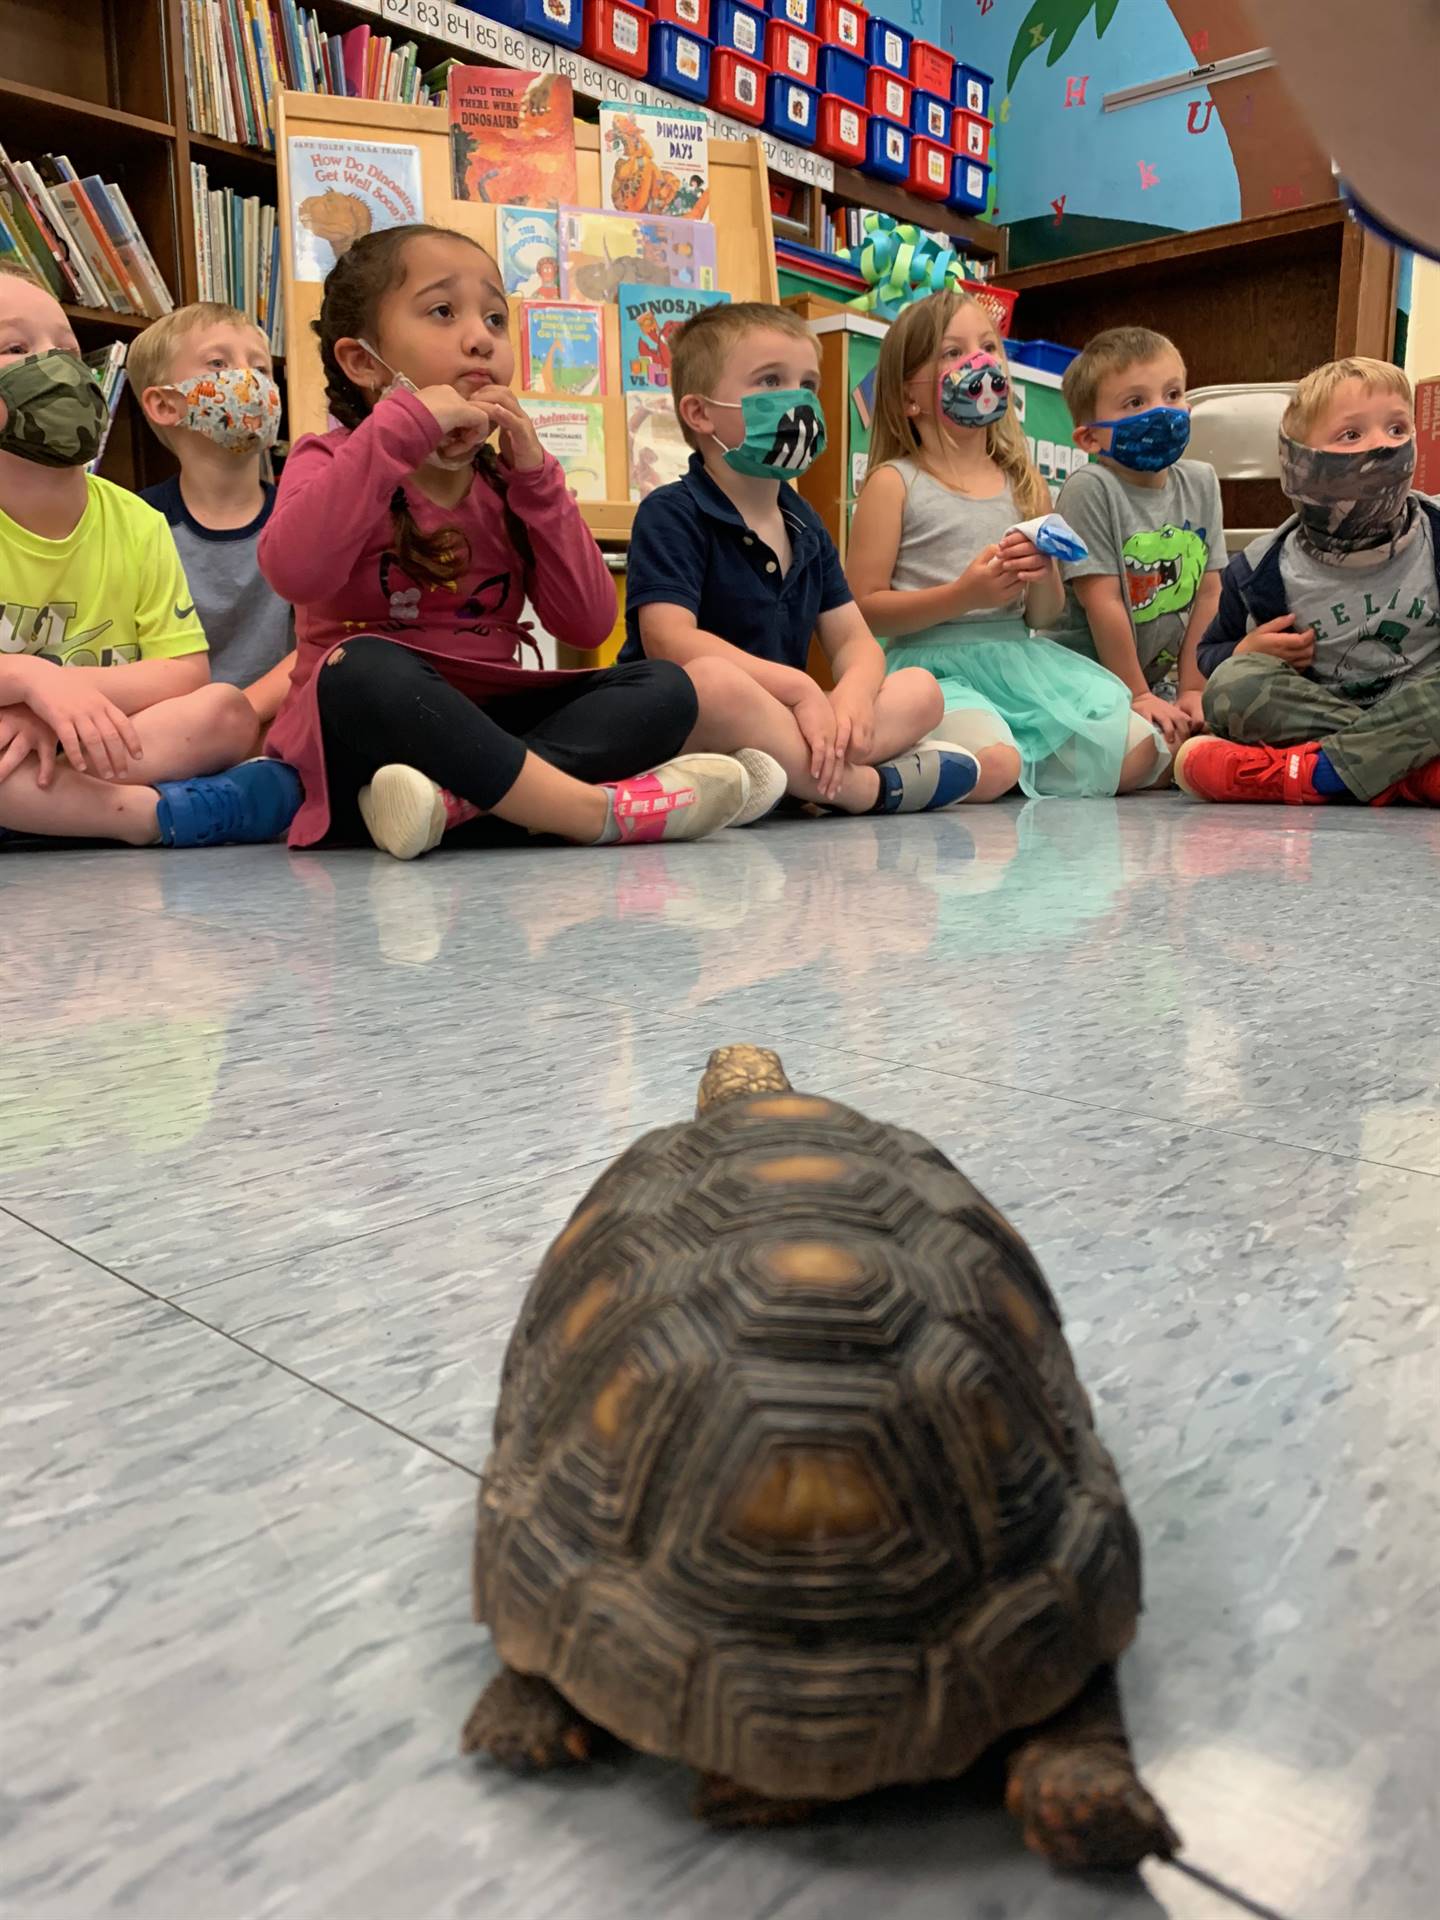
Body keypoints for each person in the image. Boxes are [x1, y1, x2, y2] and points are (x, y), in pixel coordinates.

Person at [259, 224, 756, 860]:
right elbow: (293, 572)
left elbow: (587, 620)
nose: (479, 338)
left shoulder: (509, 484)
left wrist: (537, 477)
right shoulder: (327, 458)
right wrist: (397, 432)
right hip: (374, 735)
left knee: (664, 686)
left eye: (496, 319)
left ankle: (457, 809)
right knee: (360, 669)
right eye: (443, 312)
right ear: (362, 362)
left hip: (486, 732)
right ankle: (587, 810)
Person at [622, 299, 982, 816]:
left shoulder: (805, 524)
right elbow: (669, 640)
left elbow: (856, 640)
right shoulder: (672, 512)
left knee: (922, 690)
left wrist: (852, 697)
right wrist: (801, 690)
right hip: (692, 722)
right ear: (700, 413)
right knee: (713, 684)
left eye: (808, 385)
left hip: (786, 723)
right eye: (770, 381)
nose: (798, 401)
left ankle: (794, 773)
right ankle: (863, 789)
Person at [0, 263, 299, 848]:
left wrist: (56, 706)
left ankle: (44, 811)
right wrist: (30, 678)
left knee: (223, 711)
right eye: (15, 347)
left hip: (94, 740)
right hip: (35, 744)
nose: (57, 365)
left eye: (67, 348)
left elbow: (187, 673)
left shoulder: (136, 520)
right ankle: (151, 817)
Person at [847, 290, 1165, 801]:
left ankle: (990, 766)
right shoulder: (895, 482)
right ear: (909, 397)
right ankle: (890, 779)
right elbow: (865, 612)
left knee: (1135, 751)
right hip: (934, 671)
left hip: (1021, 666)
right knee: (994, 763)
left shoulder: (1025, 482)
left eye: (989, 347)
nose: (979, 363)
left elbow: (1043, 614)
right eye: (953, 353)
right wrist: (962, 596)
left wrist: (1040, 575)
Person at [1175, 357, 1440, 807]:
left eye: (1397, 430)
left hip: (1423, 706)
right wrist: (1245, 650)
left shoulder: (1437, 534)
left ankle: (1309, 774)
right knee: (1230, 687)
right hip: (1322, 712)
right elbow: (1209, 656)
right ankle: (1405, 773)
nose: (1383, 447)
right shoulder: (1262, 569)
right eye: (1351, 435)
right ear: (1299, 461)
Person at [1045, 326, 1226, 754]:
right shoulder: (1090, 488)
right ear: (1090, 438)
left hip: (1155, 681)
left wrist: (1192, 688)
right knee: (1146, 755)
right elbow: (1102, 601)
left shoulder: (1200, 482)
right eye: (1135, 402)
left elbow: (1209, 594)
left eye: (1173, 394)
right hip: (1085, 678)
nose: (1162, 412)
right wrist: (1137, 695)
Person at [130, 302, 295, 735]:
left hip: (280, 729)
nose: (249, 380)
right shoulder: (136, 524)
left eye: (261, 369)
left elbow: (321, 643)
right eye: (219, 363)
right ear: (165, 404)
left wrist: (235, 720)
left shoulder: (301, 521)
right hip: (170, 736)